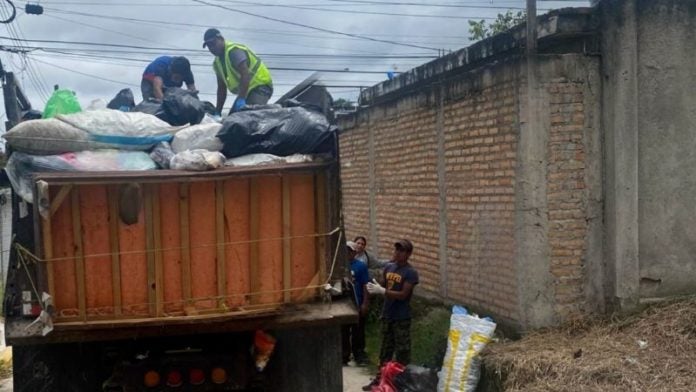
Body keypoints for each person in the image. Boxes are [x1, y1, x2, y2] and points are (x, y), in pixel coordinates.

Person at [362, 239, 419, 391]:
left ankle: (402, 383)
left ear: (408, 254)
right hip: (387, 315)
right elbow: (382, 285)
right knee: (385, 350)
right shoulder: (389, 267)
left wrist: (383, 291)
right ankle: (379, 381)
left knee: (402, 351)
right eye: (396, 250)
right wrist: (375, 287)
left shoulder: (410, 273)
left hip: (401, 317)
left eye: (402, 251)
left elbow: (403, 295)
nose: (398, 253)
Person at [202, 28, 274, 115]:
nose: (212, 48)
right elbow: (221, 89)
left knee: (248, 117)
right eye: (209, 46)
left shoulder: (233, 51)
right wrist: (218, 111)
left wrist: (241, 99)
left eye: (213, 44)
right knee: (232, 119)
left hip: (260, 86)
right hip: (246, 91)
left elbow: (245, 74)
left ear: (221, 39)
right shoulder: (217, 64)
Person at [341, 241, 370, 366]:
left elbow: (365, 285)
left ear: (354, 252)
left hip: (356, 302)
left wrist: (365, 303)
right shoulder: (339, 266)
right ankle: (344, 356)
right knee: (343, 332)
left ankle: (359, 354)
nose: (347, 253)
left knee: (358, 331)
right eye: (345, 250)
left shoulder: (361, 266)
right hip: (343, 305)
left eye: (350, 250)